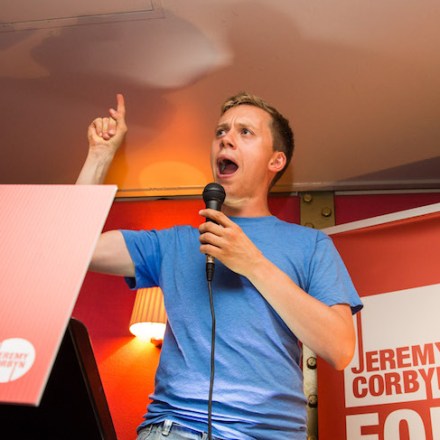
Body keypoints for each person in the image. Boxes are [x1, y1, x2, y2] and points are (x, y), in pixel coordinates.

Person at [77, 93, 363, 440]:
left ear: (276, 160)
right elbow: (74, 248)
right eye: (220, 131)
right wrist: (99, 157)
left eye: (245, 132)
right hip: (177, 429)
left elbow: (340, 349)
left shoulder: (311, 245)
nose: (226, 139)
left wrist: (253, 264)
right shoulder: (174, 243)